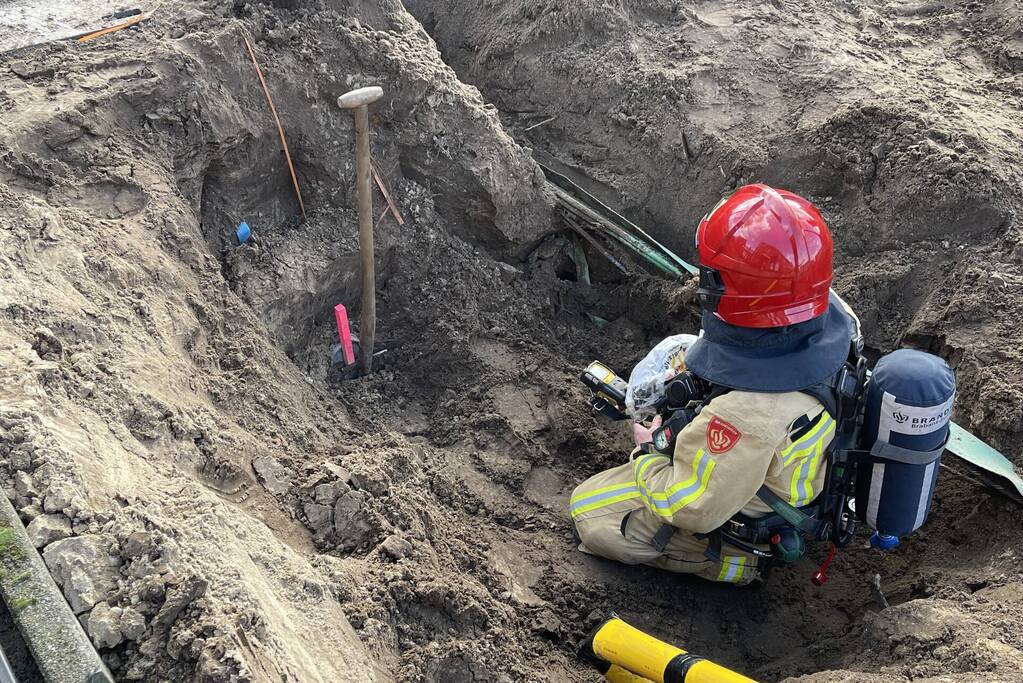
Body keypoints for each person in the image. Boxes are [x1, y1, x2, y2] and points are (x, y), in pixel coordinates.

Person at [568, 184, 858, 585]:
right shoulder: (832, 314)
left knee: (588, 510)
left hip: (756, 508)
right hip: (798, 468)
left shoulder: (747, 415)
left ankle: (738, 565)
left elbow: (689, 506)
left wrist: (647, 448)